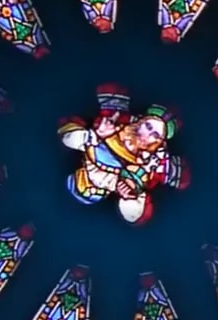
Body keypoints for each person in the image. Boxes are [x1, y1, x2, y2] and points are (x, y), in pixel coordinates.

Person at [58, 83, 189, 225]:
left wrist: (130, 196)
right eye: (148, 126)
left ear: (159, 141)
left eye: (155, 134)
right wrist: (95, 135)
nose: (145, 134)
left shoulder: (153, 166)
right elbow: (66, 130)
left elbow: (183, 179)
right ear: (140, 121)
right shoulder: (114, 121)